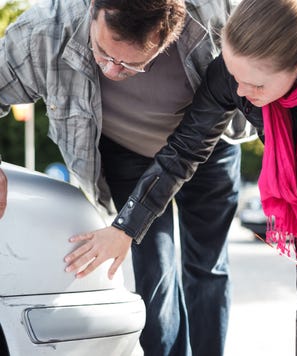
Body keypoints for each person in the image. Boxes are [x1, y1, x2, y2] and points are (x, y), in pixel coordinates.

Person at [0, 1, 253, 355]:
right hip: (127, 154)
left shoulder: (214, 15)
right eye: (103, 52)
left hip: (208, 147)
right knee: (154, 276)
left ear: (168, 35)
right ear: (93, 9)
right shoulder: (44, 30)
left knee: (207, 268)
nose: (111, 70)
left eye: (132, 64)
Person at [162, 0, 297, 354]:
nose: (239, 92)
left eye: (254, 85)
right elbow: (183, 149)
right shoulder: (243, 69)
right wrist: (126, 226)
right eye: (235, 77)